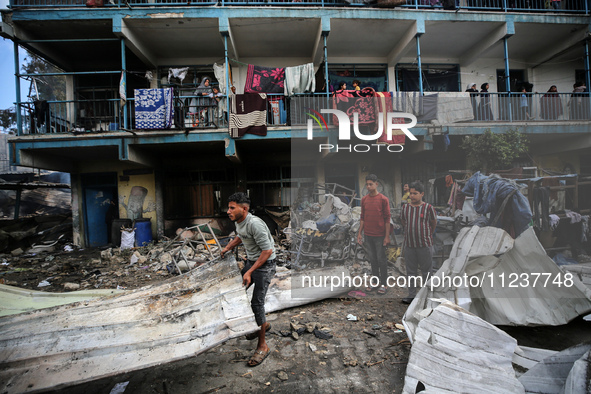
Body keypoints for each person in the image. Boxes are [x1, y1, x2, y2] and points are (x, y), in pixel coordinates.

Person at [220, 192, 276, 367]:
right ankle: (262, 325)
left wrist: (249, 271)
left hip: (265, 265)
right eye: (228, 207)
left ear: (244, 209)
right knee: (238, 293)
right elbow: (241, 236)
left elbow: (267, 251)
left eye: (232, 208)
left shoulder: (255, 224)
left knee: (256, 303)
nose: (228, 211)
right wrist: (228, 247)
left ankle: (263, 346)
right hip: (252, 262)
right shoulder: (240, 222)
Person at [400, 181, 437, 304]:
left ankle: (426, 296)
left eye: (415, 193)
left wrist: (426, 234)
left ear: (422, 194)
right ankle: (412, 296)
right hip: (410, 245)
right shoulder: (405, 208)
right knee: (411, 271)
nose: (412, 196)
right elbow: (404, 222)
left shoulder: (429, 208)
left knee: (427, 271)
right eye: (411, 193)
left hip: (425, 245)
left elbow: (433, 223)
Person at [357, 174, 391, 295]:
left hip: (380, 235)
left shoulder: (383, 199)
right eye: (367, 184)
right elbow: (362, 218)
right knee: (373, 260)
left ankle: (384, 284)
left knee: (382, 260)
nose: (368, 186)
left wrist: (387, 237)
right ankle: (376, 282)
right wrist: (359, 233)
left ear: (377, 184)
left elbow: (387, 219)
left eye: (370, 184)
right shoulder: (364, 199)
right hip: (368, 235)